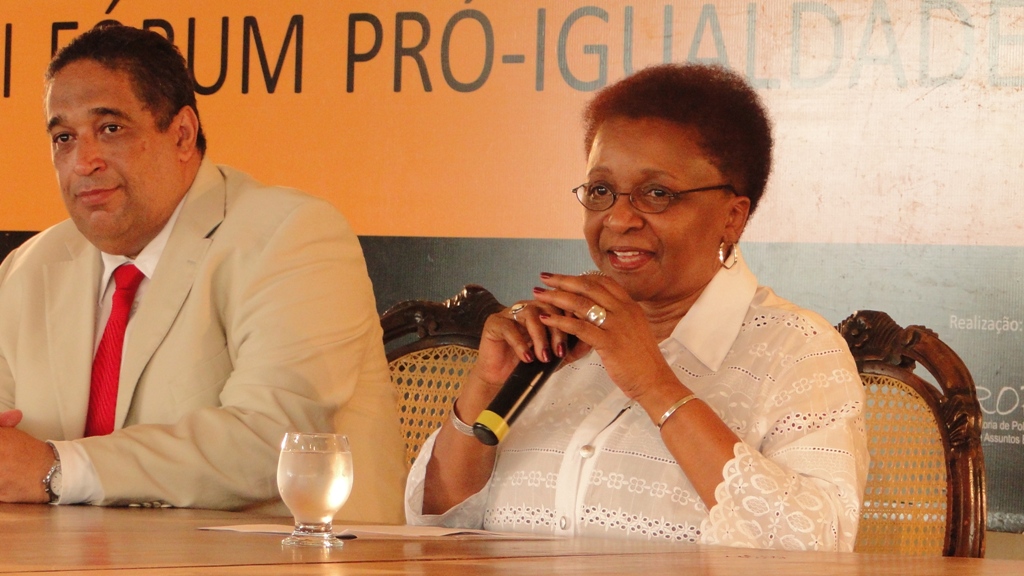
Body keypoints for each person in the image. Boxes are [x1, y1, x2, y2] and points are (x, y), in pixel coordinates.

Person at [406, 63, 869, 550]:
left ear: (732, 217)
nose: (618, 219)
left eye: (656, 194)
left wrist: (654, 384)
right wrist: (487, 386)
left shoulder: (798, 350)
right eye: (601, 191)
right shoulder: (558, 337)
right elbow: (435, 531)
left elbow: (817, 547)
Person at [0, 24, 406, 521]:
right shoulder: (29, 268)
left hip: (287, 553)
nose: (83, 162)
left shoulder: (289, 235)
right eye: (64, 138)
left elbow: (272, 441)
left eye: (110, 129)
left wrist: (58, 467)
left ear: (182, 134)